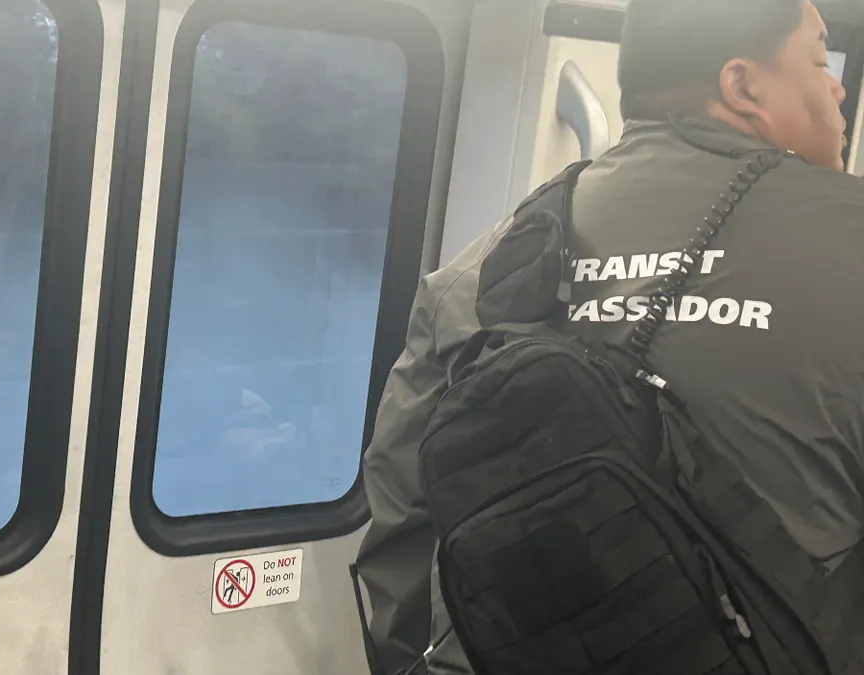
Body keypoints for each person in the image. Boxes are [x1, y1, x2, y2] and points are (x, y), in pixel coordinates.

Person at [355, 0, 857, 672]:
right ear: (743, 86)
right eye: (819, 60)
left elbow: (404, 552)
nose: (837, 88)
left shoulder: (477, 271)